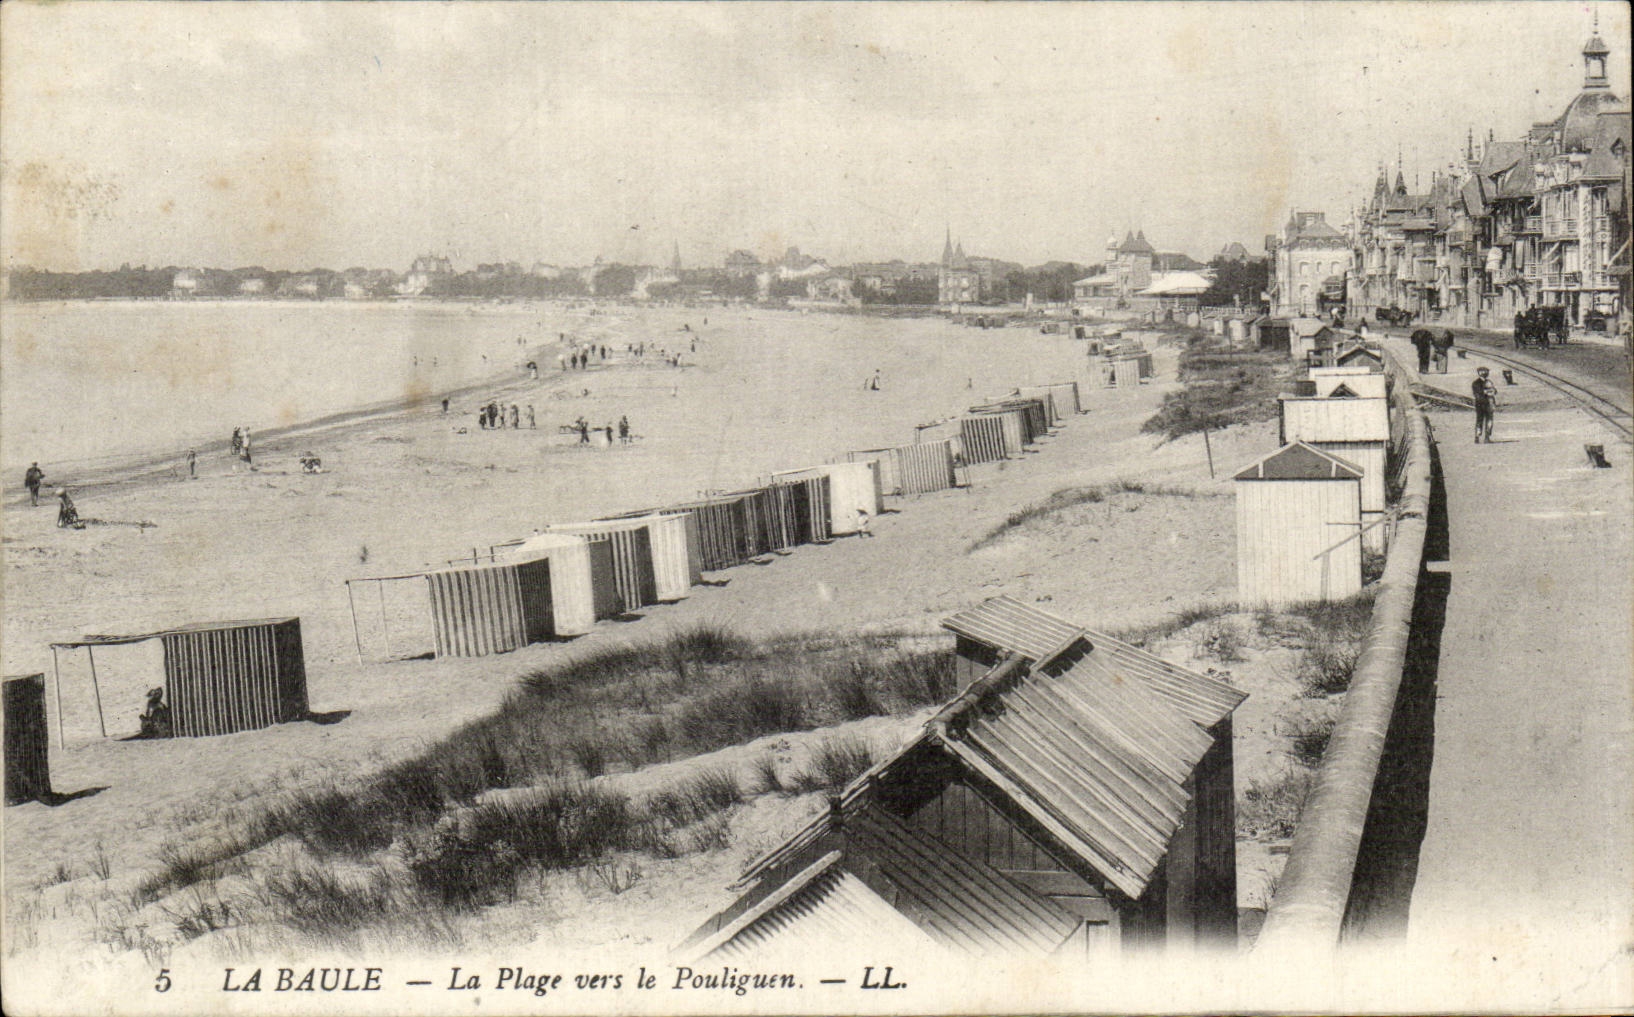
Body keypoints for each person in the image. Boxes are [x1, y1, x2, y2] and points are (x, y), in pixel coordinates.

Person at [1471, 366, 1498, 443]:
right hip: (1481, 404)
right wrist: (1487, 392)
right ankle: (1477, 437)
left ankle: (1487, 437)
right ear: (1478, 373)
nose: (1484, 373)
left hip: (1489, 403)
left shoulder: (1489, 382)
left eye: (1486, 372)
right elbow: (1477, 392)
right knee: (1480, 420)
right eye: (1482, 372)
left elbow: (1495, 391)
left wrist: (1492, 391)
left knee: (1489, 420)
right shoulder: (1476, 383)